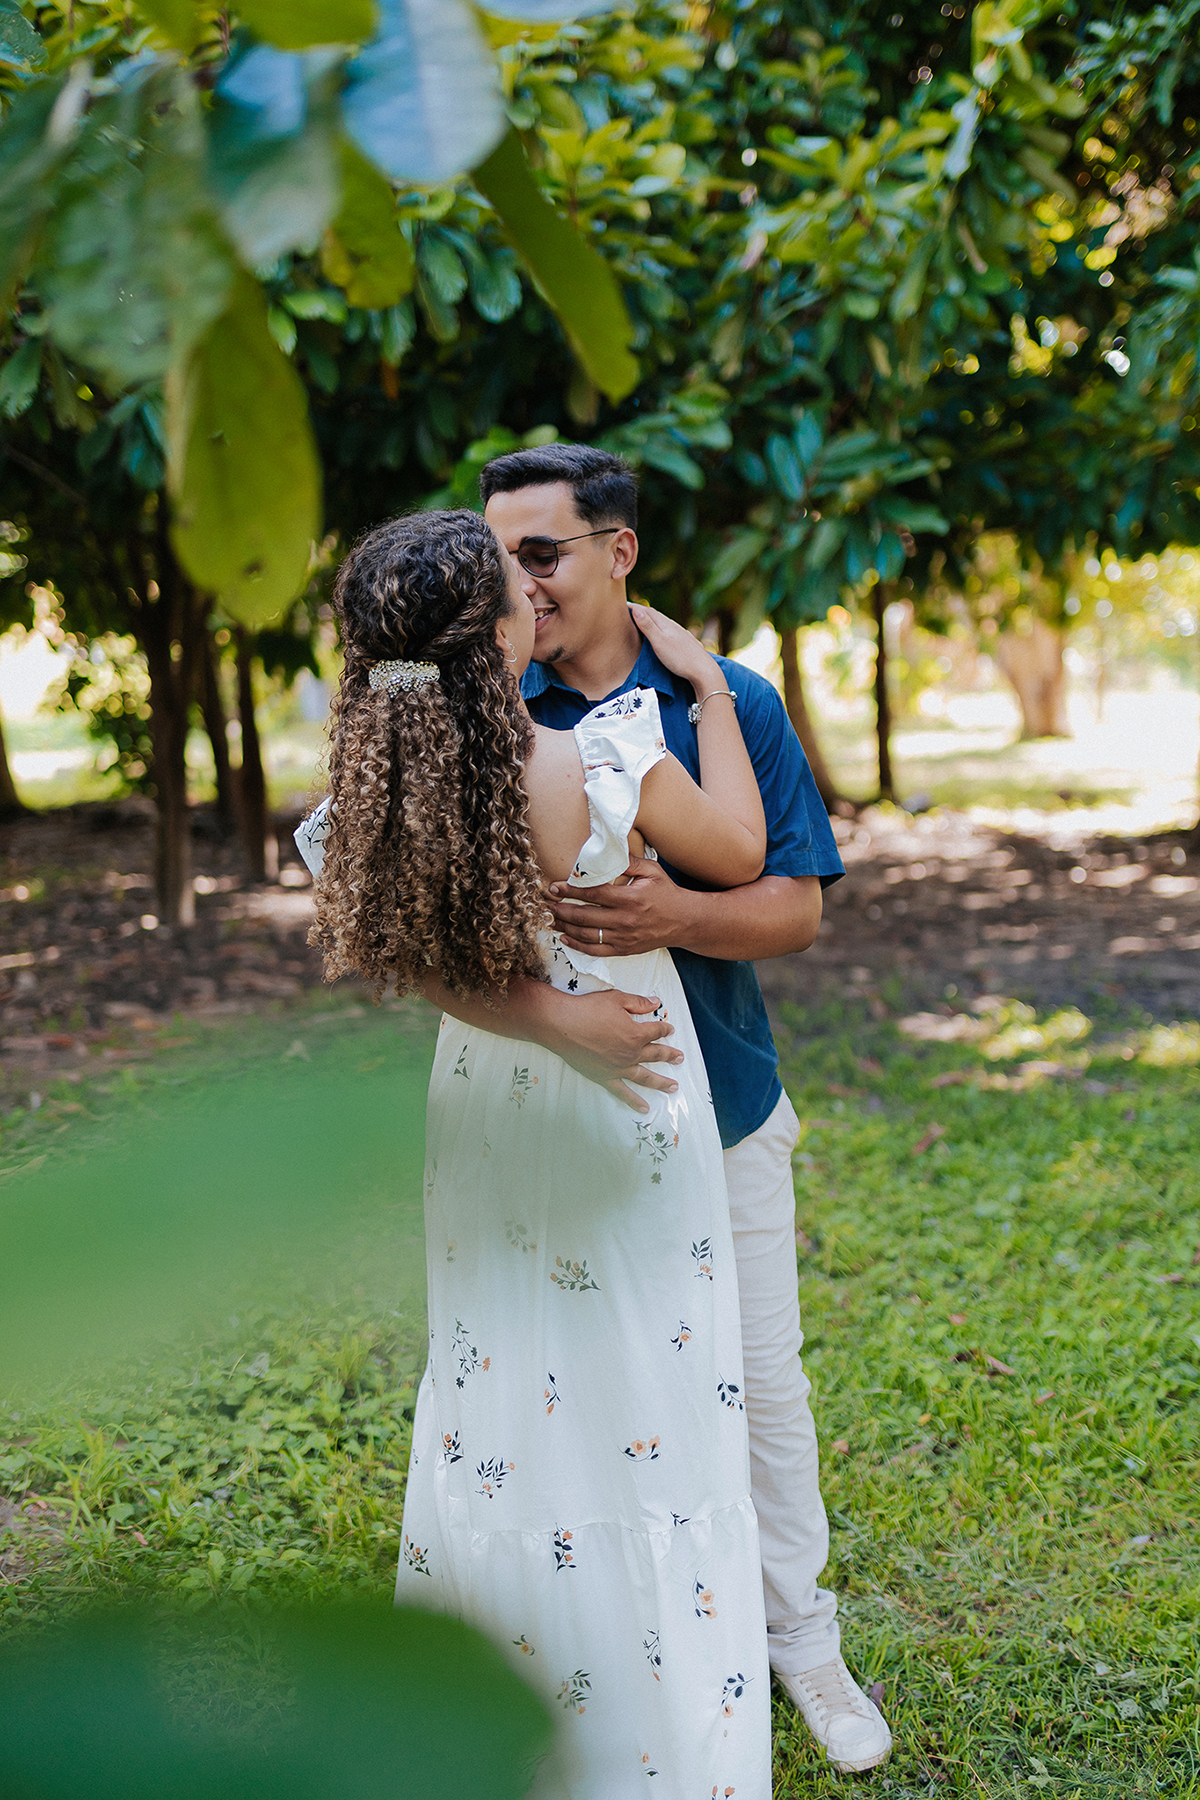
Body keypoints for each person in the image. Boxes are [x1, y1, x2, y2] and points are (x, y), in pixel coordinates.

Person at [296, 508, 780, 1799]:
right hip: (628, 1097)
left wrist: (540, 1019)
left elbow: (399, 953)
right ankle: (657, 1744)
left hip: (494, 1111)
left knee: (499, 1393)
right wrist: (707, 693)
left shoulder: (379, 783)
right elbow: (740, 852)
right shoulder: (598, 755)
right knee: (652, 1400)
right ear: (498, 635)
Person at [449, 442, 889, 1778]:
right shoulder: (470, 709)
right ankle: (610, 1639)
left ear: (618, 551)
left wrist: (677, 915)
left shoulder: (726, 700)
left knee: (758, 1385)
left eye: (544, 552)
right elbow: (407, 932)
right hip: (547, 1127)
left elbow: (794, 906)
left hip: (724, 1110)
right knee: (576, 1392)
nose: (517, 580)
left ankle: (800, 1639)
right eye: (498, 555)